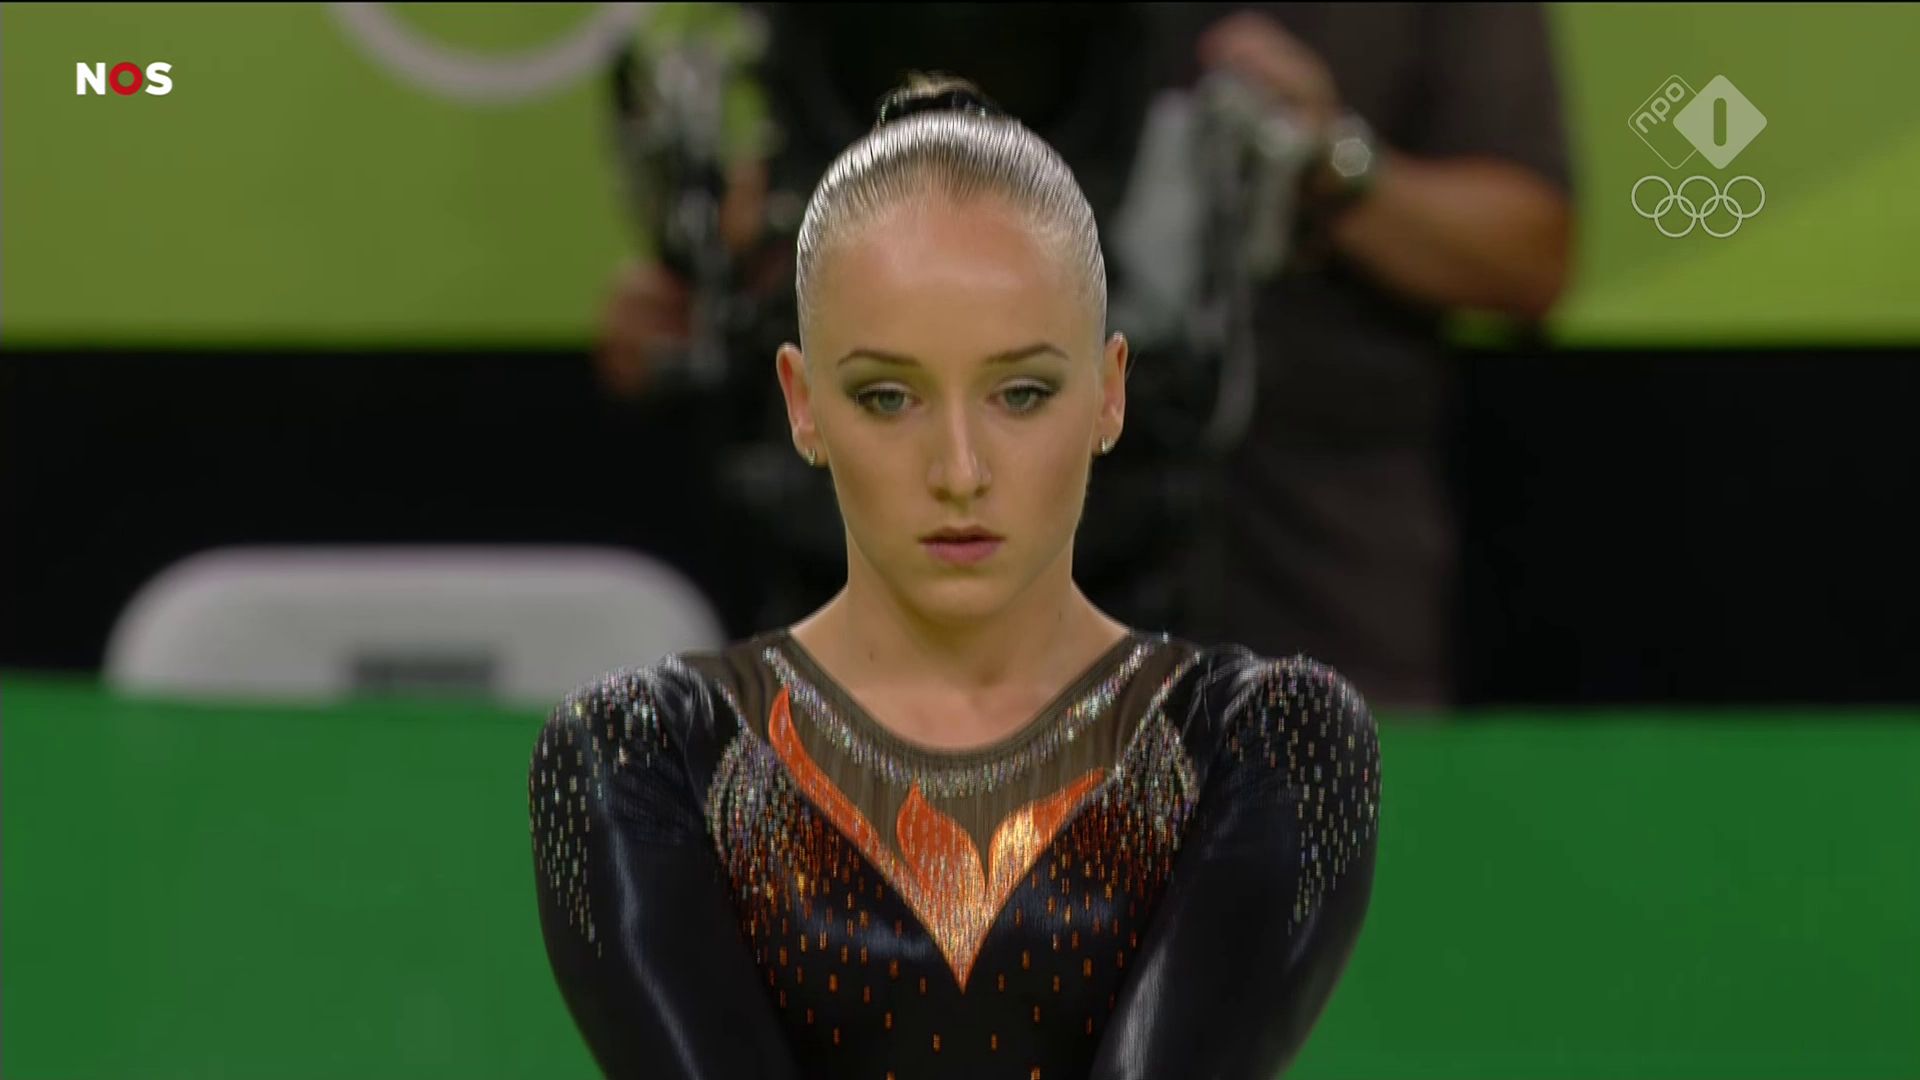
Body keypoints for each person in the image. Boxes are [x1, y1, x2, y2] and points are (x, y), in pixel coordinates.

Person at [532, 77, 1382, 1079]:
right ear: (802, 404)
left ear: (1110, 393)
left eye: (1020, 393)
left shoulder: (1272, 744)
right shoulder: (642, 755)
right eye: (888, 397)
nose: (960, 470)